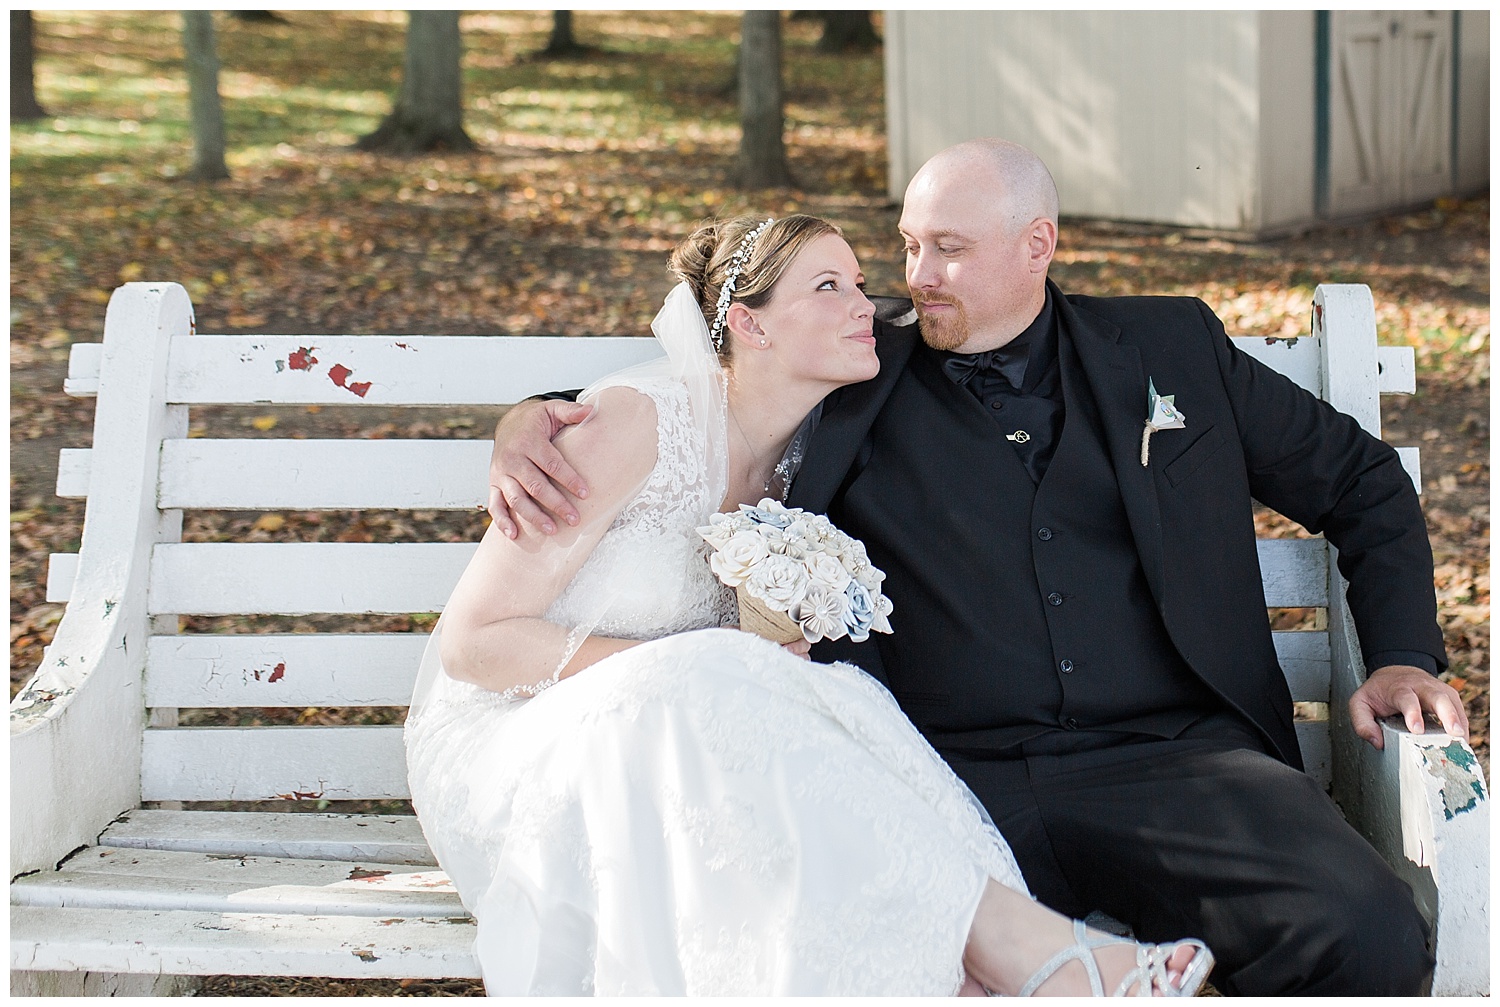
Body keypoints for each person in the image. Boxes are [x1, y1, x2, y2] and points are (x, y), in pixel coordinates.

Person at [488, 141, 1467, 996]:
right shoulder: (856, 380)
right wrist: (532, 416)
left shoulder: (1171, 348)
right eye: (910, 244)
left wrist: (1404, 656)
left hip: (1179, 764)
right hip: (938, 778)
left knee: (1367, 931)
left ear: (1035, 245)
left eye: (947, 248)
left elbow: (1363, 481)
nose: (918, 273)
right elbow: (705, 403)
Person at [406, 213, 1215, 996]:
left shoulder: (813, 454)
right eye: (829, 285)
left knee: (842, 698)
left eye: (861, 281)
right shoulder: (635, 423)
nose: (867, 304)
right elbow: (472, 644)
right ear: (750, 327)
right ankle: (1041, 954)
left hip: (682, 749)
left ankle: (971, 969)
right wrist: (687, 663)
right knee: (717, 682)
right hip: (518, 743)